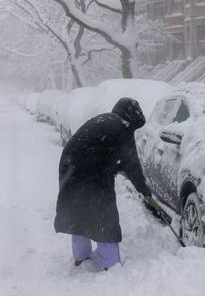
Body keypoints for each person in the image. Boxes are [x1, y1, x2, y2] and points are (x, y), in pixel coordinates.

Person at [53, 97, 166, 271]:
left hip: (69, 168)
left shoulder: (104, 120)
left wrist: (115, 165)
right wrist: (146, 193)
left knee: (78, 211)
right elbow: (132, 165)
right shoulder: (123, 127)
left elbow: (100, 149)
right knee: (105, 216)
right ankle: (109, 264)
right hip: (91, 173)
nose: (133, 131)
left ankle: (80, 257)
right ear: (132, 119)